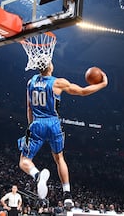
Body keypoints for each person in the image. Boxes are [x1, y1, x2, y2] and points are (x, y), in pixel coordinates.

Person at [17, 61, 108, 207]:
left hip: (36, 123)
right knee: (59, 158)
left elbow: (29, 107)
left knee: (24, 160)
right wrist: (102, 84)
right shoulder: (58, 83)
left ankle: (37, 175)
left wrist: (31, 126)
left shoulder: (30, 82)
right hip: (53, 123)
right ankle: (67, 196)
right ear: (51, 67)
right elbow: (83, 91)